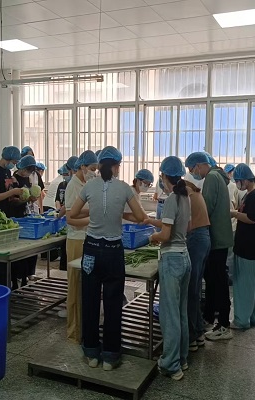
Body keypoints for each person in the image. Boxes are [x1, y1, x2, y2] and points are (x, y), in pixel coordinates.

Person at [68, 146, 147, 371]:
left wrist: (94, 212)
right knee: (113, 304)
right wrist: (119, 212)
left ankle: (91, 352)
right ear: (117, 167)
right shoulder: (124, 188)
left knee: (90, 300)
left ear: (100, 165)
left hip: (91, 249)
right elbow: (140, 217)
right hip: (113, 251)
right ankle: (111, 356)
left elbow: (72, 215)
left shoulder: (89, 186)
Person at [144, 156, 192, 380]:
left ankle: (171, 365)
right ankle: (181, 358)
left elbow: (165, 235)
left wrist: (152, 237)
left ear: (164, 176)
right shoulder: (185, 197)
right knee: (180, 312)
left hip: (171, 259)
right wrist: (150, 221)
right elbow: (184, 227)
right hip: (184, 257)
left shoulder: (172, 199)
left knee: (169, 315)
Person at [185, 152, 234, 341]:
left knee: (218, 281)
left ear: (199, 165)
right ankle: (210, 317)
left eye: (192, 169)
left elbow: (206, 207)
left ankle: (223, 324)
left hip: (216, 239)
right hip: (219, 238)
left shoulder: (212, 178)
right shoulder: (218, 176)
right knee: (214, 280)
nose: (192, 173)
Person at [63, 151, 98, 341]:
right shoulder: (72, 186)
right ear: (82, 166)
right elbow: (71, 219)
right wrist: (93, 219)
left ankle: (85, 328)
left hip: (88, 238)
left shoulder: (87, 184)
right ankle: (74, 331)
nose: (94, 172)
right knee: (75, 286)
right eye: (92, 169)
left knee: (87, 286)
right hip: (76, 239)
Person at [229, 164, 255, 330]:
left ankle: (242, 320)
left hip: (249, 249)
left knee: (244, 286)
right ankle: (253, 317)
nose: (237, 184)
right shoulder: (249, 195)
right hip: (248, 247)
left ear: (246, 179)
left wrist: (234, 214)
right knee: (251, 285)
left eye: (238, 181)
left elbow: (251, 218)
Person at [0, 146, 25, 287]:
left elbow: (8, 195)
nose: (14, 165)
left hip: (7, 217)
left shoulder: (7, 172)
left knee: (6, 254)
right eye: (14, 162)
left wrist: (19, 198)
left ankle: (7, 284)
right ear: (7, 158)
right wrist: (12, 192)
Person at [184, 180, 210, 352]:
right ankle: (199, 332)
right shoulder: (195, 192)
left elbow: (184, 224)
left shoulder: (185, 193)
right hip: (204, 238)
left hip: (196, 239)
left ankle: (191, 337)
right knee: (195, 289)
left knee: (190, 290)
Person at [14, 155, 42, 284]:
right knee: (19, 250)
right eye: (28, 170)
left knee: (28, 249)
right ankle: (18, 276)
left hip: (27, 214)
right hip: (17, 216)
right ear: (22, 167)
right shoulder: (14, 179)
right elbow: (13, 200)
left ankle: (27, 274)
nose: (29, 173)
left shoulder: (28, 178)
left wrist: (31, 199)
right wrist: (24, 199)